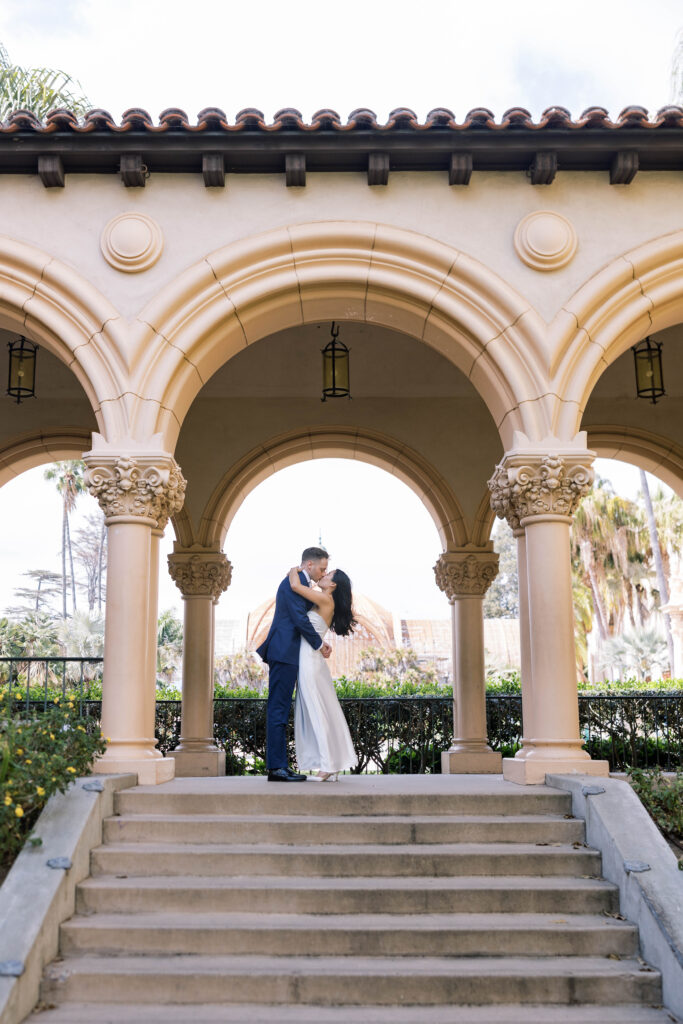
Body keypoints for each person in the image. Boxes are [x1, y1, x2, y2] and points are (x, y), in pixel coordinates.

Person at [257, 547, 332, 782]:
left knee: (280, 710)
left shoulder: (299, 581)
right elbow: (299, 619)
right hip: (284, 652)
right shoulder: (295, 581)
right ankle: (277, 768)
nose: (323, 573)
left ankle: (280, 765)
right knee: (278, 709)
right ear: (309, 565)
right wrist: (319, 644)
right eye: (321, 568)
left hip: (290, 653)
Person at [288, 565, 358, 781]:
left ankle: (328, 765)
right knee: (318, 710)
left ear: (333, 584)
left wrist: (295, 568)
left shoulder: (325, 599)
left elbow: (294, 585)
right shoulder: (325, 601)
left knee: (318, 711)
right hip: (311, 658)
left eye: (327, 574)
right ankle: (330, 763)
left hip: (310, 660)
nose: (323, 575)